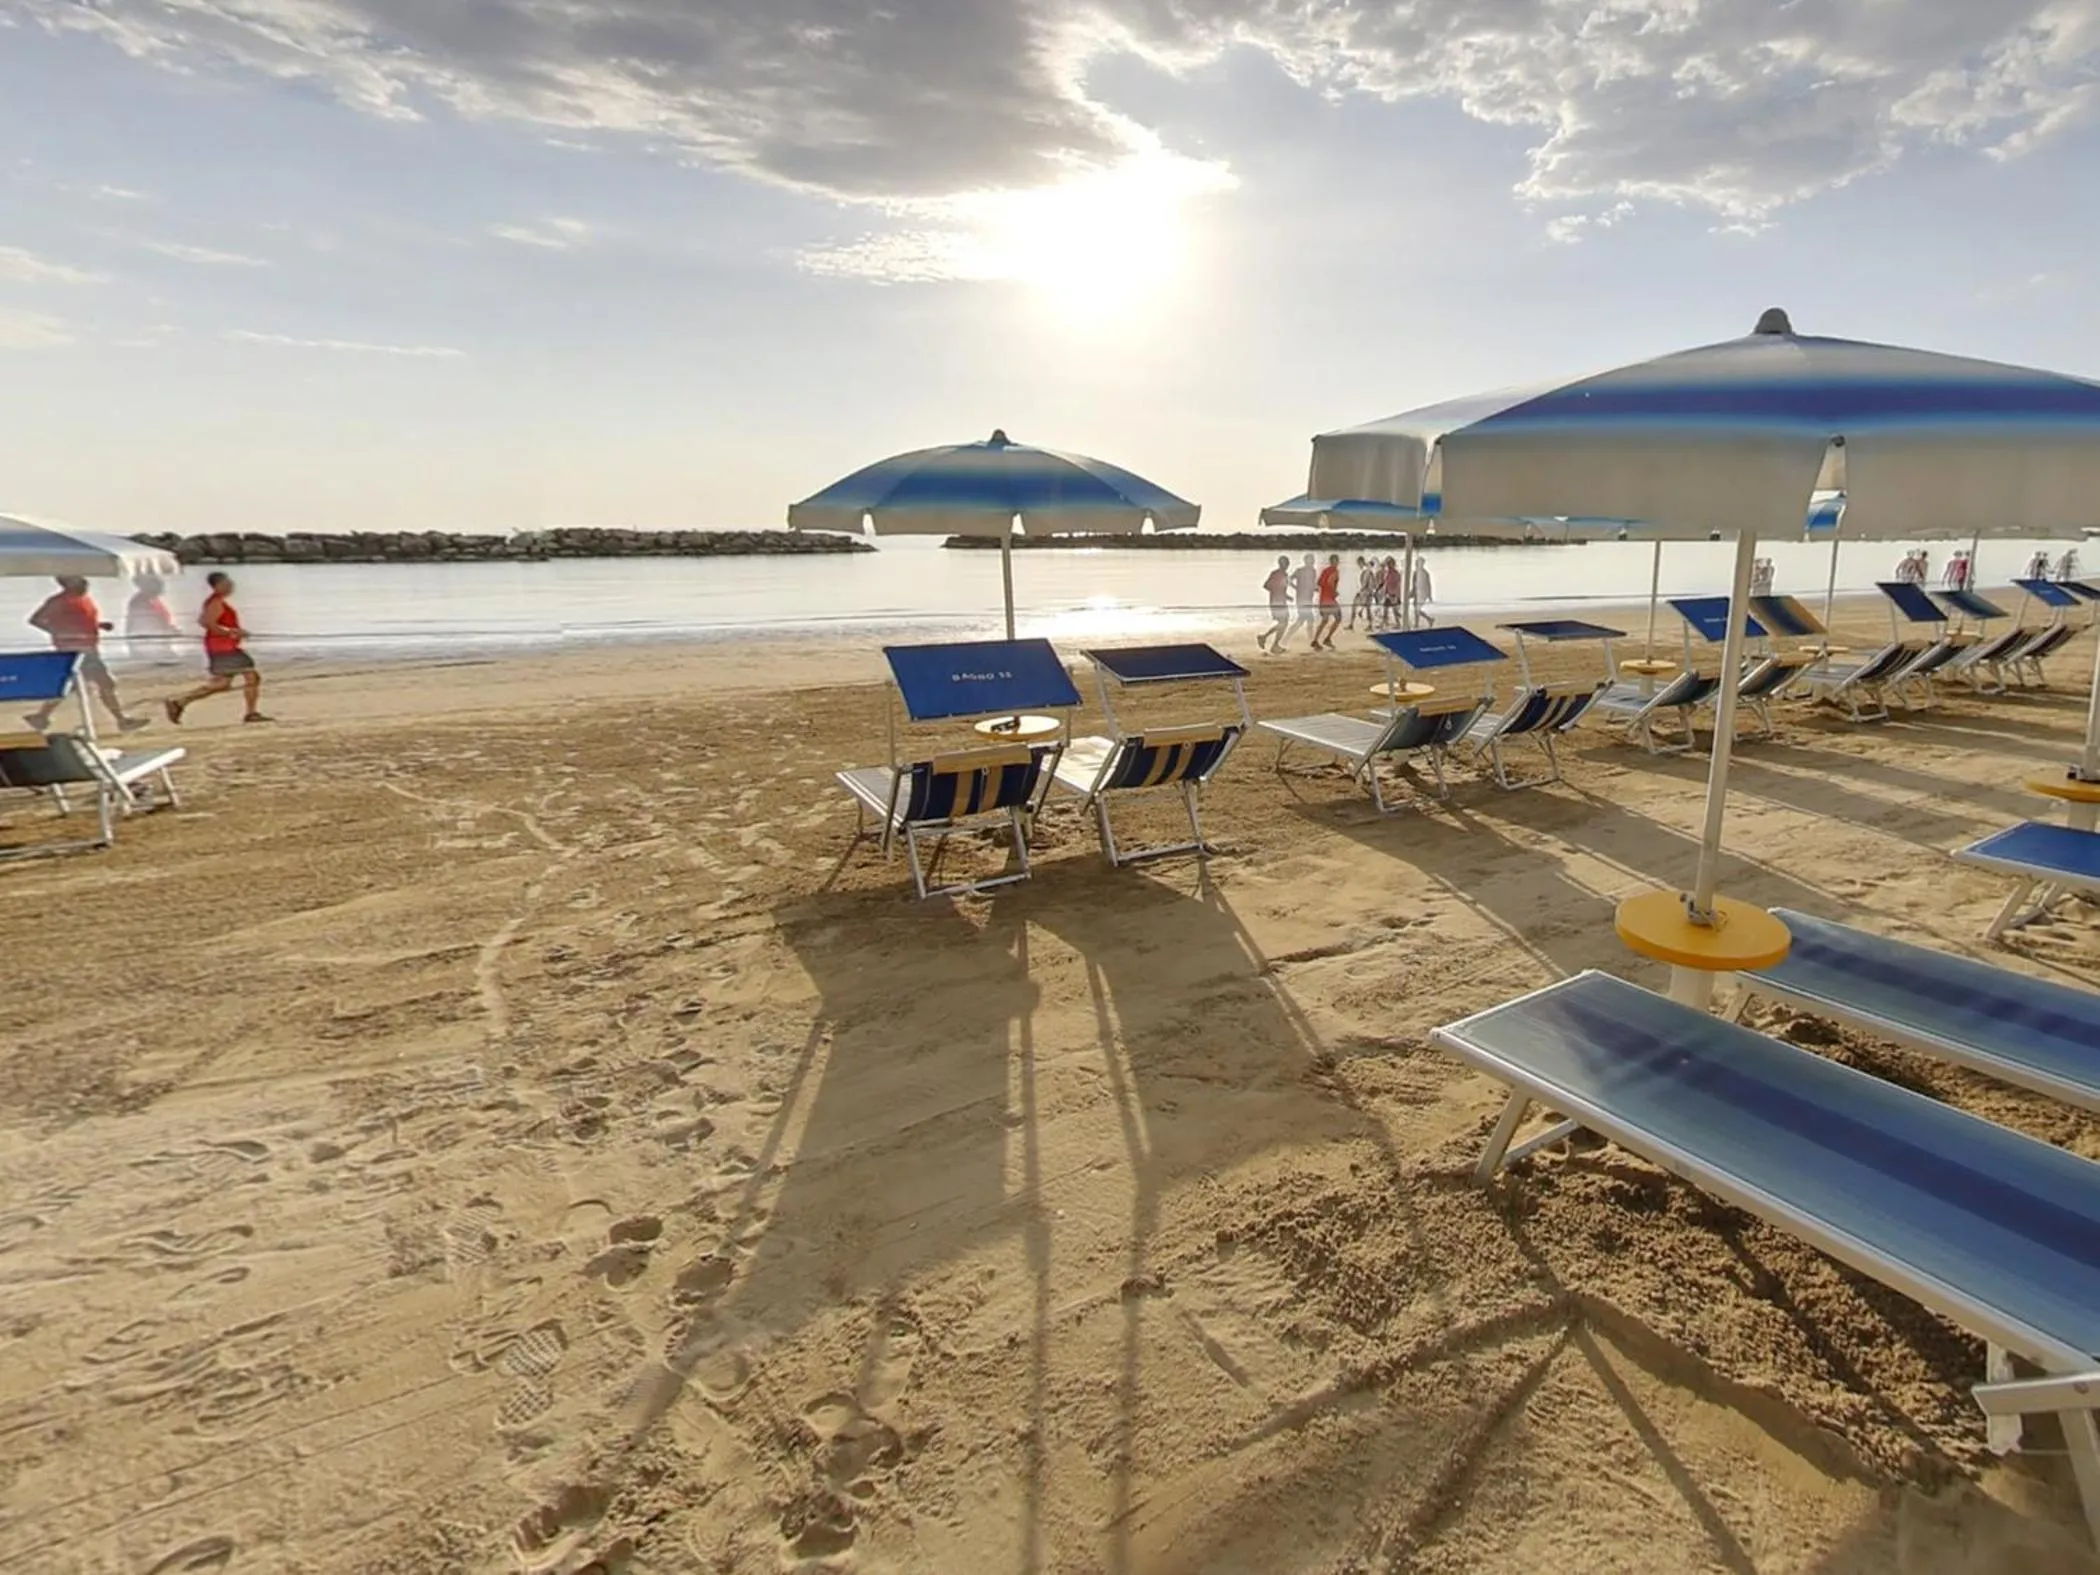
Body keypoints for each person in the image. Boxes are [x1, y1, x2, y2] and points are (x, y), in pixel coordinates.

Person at [22, 575, 149, 732]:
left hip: (88, 647)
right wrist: (59, 632)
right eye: (79, 580)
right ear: (66, 583)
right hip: (75, 650)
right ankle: (122, 720)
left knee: (71, 685)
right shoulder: (59, 601)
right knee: (105, 683)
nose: (85, 583)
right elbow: (35, 620)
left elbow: (79, 620)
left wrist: (99, 625)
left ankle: (40, 717)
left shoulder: (82, 598)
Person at [164, 571, 271, 724]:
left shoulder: (216, 601)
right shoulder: (215, 602)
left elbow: (202, 620)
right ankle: (251, 713)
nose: (231, 586)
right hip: (223, 648)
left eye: (230, 584)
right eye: (226, 584)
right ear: (217, 586)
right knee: (251, 676)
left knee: (221, 684)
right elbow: (208, 623)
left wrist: (233, 632)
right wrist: (231, 632)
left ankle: (179, 702)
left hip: (221, 647)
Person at [125, 572, 184, 665]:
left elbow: (160, 619)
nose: (161, 586)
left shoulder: (153, 599)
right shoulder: (140, 602)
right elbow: (145, 624)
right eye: (156, 584)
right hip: (150, 646)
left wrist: (171, 629)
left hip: (159, 644)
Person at [1255, 555, 1292, 653]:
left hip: (1281, 601)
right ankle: (1271, 642)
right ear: (1280, 564)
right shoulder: (1275, 573)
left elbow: (1282, 588)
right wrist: (1277, 592)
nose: (1286, 565)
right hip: (1276, 602)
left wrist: (1286, 596)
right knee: (1283, 622)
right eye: (1284, 563)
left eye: (1287, 563)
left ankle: (1268, 640)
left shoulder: (1285, 574)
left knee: (1283, 623)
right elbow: (1266, 586)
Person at [1312, 553, 1343, 649]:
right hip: (1330, 600)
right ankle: (1327, 639)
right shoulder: (1335, 571)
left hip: (1323, 600)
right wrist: (1334, 592)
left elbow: (1318, 585)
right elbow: (1330, 581)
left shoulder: (1325, 570)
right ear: (1335, 561)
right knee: (1338, 618)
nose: (1338, 563)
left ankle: (1315, 640)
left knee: (1324, 620)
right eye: (1337, 561)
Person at [1292, 553, 1320, 644]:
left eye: (1313, 560)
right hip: (1301, 598)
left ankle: (1286, 638)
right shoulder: (1299, 570)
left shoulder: (1313, 571)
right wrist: (1295, 587)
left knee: (1302, 620)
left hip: (1308, 598)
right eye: (1311, 560)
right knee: (1308, 620)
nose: (1312, 562)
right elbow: (1289, 579)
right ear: (1305, 561)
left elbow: (1312, 584)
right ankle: (1311, 640)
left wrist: (1315, 589)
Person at [1348, 556, 1374, 629]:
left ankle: (1352, 624)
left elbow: (1365, 582)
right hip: (1366, 592)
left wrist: (1361, 591)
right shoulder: (1366, 570)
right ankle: (1369, 625)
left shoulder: (1366, 570)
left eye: (1358, 563)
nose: (1358, 565)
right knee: (1367, 609)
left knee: (1356, 606)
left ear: (1361, 562)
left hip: (1365, 593)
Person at [1410, 557, 1436, 628]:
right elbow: (1414, 584)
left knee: (1417, 609)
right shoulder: (1416, 572)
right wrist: (1412, 593)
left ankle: (1428, 619)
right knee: (1416, 608)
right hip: (1417, 592)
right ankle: (1417, 623)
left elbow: (1428, 584)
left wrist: (1429, 595)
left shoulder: (1425, 573)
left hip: (1423, 593)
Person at [1380, 556, 1403, 627]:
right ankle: (1384, 623)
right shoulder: (1387, 573)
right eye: (1388, 564)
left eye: (1389, 563)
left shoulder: (1395, 573)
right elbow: (1385, 583)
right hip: (1387, 594)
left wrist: (1394, 595)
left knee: (1394, 610)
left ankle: (1398, 623)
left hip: (1393, 594)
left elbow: (1397, 584)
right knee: (1385, 609)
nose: (1388, 565)